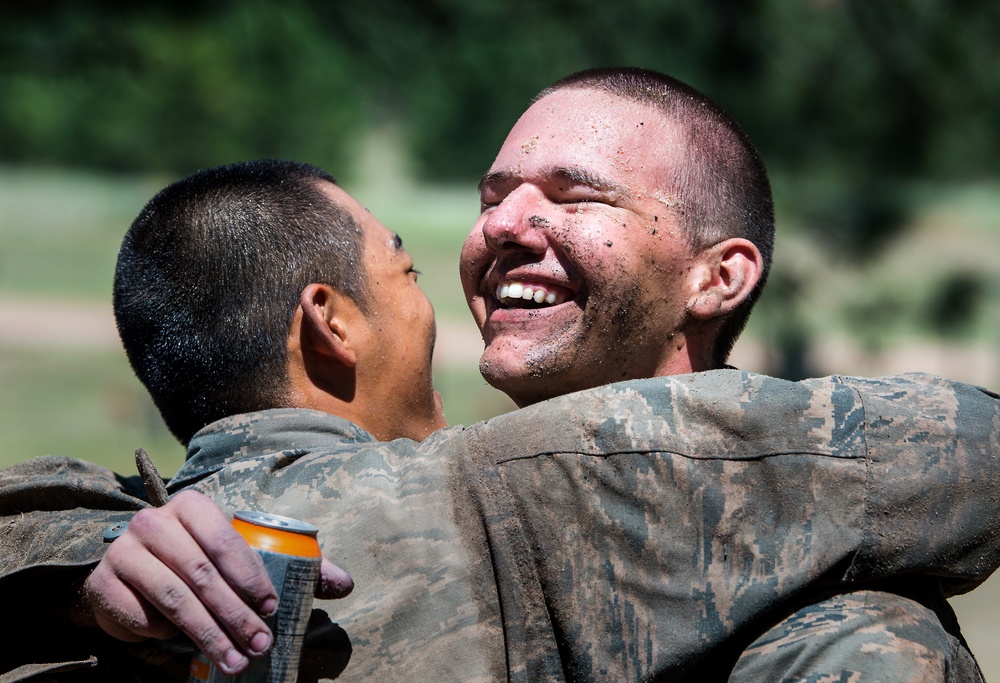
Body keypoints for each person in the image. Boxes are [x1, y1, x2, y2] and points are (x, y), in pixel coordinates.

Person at [1, 70, 997, 682]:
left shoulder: (844, 631)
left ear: (716, 274)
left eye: (573, 193)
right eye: (493, 195)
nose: (501, 227)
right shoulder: (189, 541)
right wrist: (85, 563)